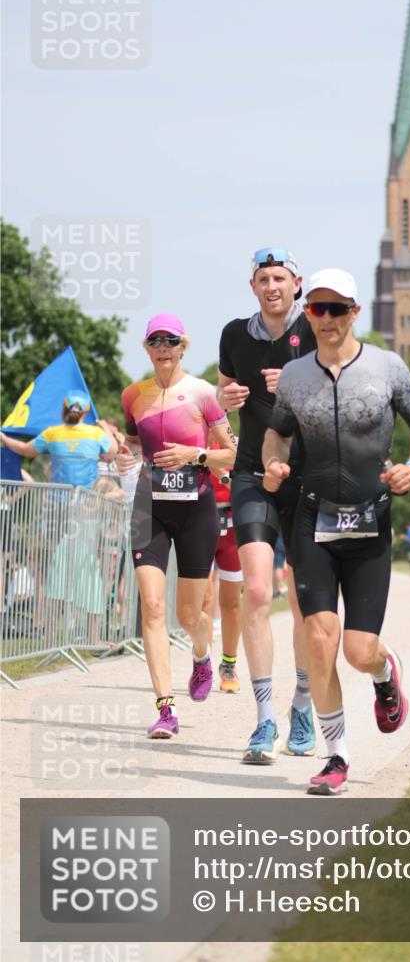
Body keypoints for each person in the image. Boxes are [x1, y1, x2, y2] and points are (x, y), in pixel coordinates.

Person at [262, 268, 410, 795]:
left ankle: (385, 676)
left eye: (337, 308)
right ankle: (336, 756)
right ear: (307, 314)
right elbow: (277, 433)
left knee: (359, 650)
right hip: (312, 519)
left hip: (369, 522)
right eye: (317, 308)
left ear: (355, 312)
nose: (327, 318)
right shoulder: (294, 376)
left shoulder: (387, 367)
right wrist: (274, 463)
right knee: (320, 640)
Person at [218, 246, 317, 763]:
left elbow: (342, 403)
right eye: (263, 278)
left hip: (307, 480)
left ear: (296, 284)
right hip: (253, 474)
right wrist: (227, 398)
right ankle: (263, 721)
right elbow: (224, 388)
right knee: (256, 591)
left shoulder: (318, 331)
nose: (272, 286)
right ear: (252, 286)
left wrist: (300, 389)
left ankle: (302, 704)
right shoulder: (235, 334)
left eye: (280, 277)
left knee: (302, 600)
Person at [117, 313, 237, 738]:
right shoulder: (133, 395)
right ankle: (166, 709)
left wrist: (194, 455)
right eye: (155, 341)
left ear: (183, 345)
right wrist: (125, 456)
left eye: (170, 340)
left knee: (190, 615)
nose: (163, 347)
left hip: (196, 508)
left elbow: (232, 456)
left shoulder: (204, 394)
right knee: (151, 606)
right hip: (149, 507)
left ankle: (202, 655)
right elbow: (133, 443)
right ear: (147, 349)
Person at [0, 391, 118, 489]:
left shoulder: (52, 433)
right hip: (87, 505)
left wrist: (4, 438)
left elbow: (24, 449)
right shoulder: (96, 433)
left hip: (57, 507)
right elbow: (113, 452)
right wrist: (105, 427)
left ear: (64, 409)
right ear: (85, 412)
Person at [206, 452, 244, 694]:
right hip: (201, 523)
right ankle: (202, 664)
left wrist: (223, 476)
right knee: (203, 599)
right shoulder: (190, 442)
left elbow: (247, 486)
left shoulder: (235, 446)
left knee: (230, 603)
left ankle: (228, 665)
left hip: (231, 526)